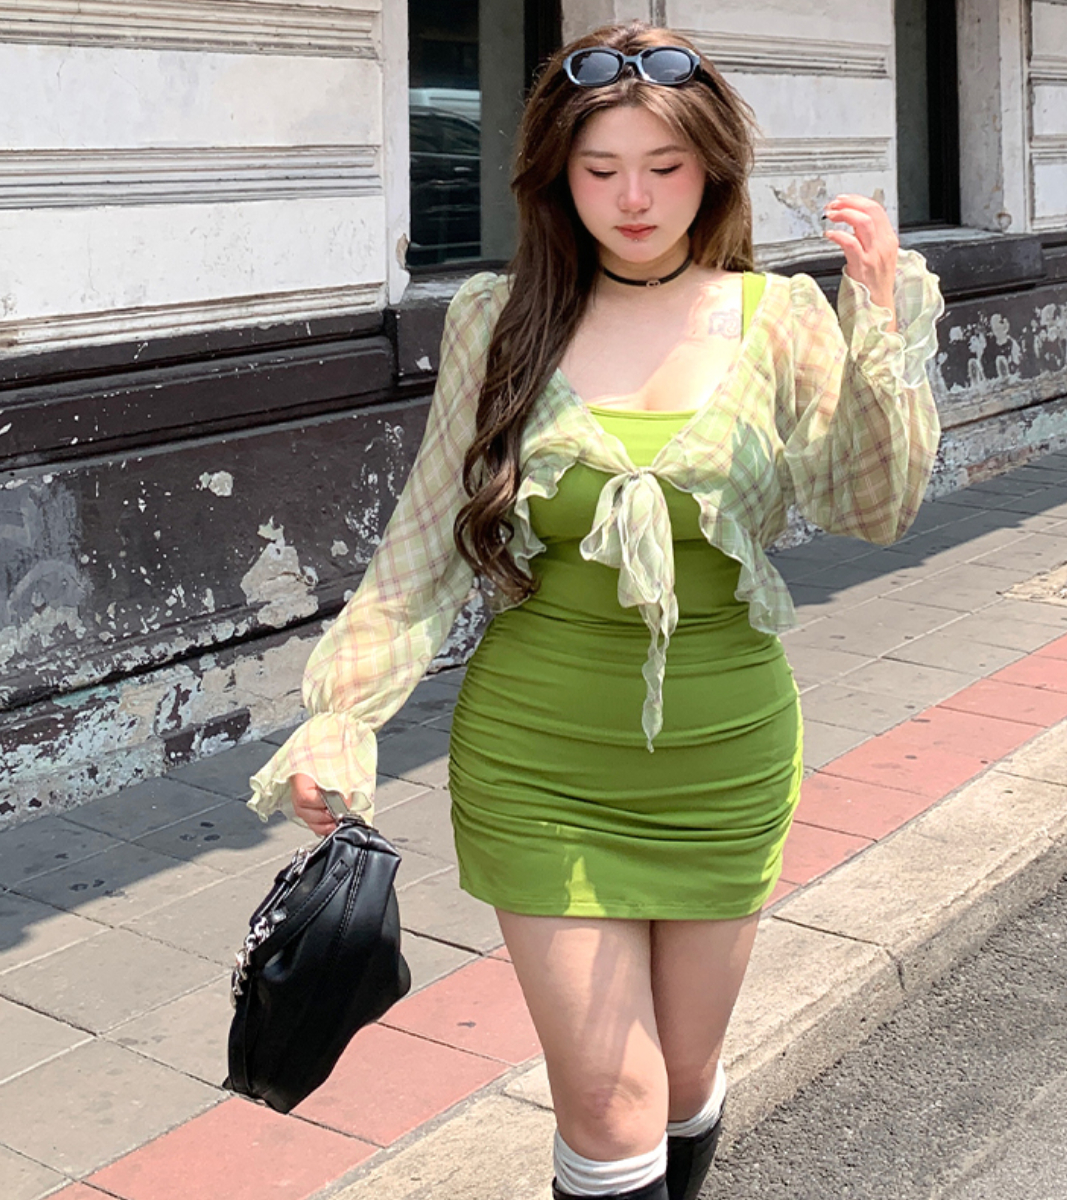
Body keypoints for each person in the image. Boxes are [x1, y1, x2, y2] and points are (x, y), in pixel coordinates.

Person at [248, 20, 943, 1200]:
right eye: (601, 168)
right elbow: (423, 546)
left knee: (680, 1082)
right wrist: (342, 715)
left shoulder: (779, 317)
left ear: (711, 170)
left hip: (724, 755)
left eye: (664, 167)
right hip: (541, 758)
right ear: (555, 177)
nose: (633, 199)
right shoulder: (498, 318)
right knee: (612, 1104)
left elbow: (872, 508)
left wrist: (877, 314)